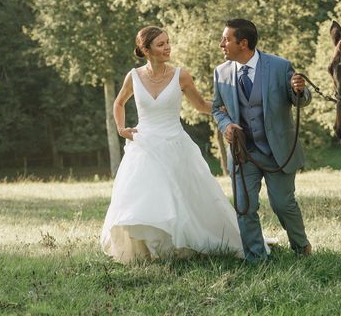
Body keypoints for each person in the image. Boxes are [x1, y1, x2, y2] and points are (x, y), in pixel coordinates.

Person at [100, 26, 243, 263]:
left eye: (168, 42)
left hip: (175, 143)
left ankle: (182, 245)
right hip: (144, 145)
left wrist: (227, 108)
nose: (167, 48)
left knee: (182, 197)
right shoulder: (133, 76)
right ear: (146, 50)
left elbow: (200, 106)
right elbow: (119, 103)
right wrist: (121, 128)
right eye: (160, 44)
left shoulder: (181, 76)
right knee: (145, 197)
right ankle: (149, 250)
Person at [212, 19, 312, 263]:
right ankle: (256, 258)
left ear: (243, 43)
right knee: (245, 207)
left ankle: (301, 248)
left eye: (226, 39)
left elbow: (300, 99)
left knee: (283, 204)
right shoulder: (221, 72)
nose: (221, 44)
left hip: (277, 151)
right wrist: (226, 126)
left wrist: (300, 90)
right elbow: (217, 109)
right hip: (243, 152)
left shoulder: (279, 66)